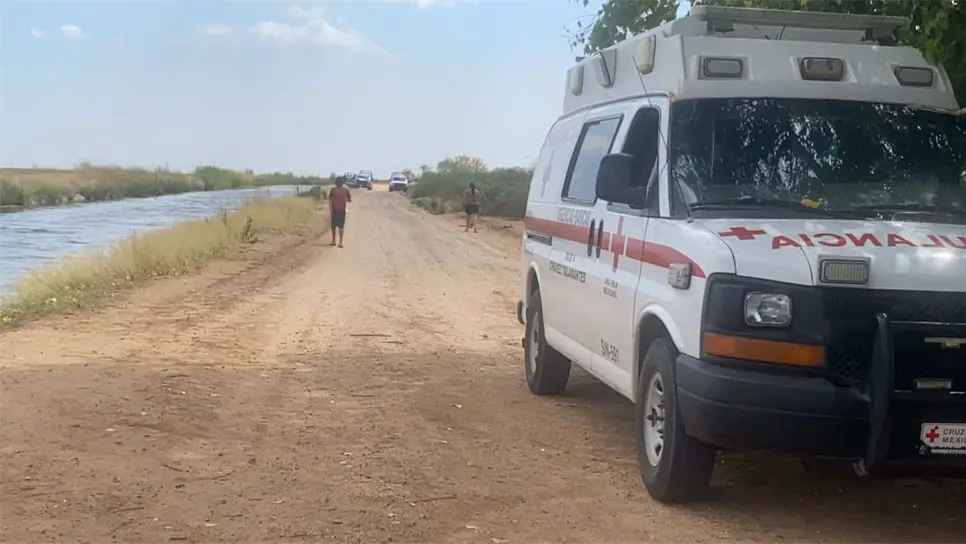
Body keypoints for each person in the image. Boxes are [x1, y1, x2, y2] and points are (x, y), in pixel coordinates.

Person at [329, 177, 352, 247]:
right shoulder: (346, 190)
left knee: (333, 226)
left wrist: (330, 211)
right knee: (341, 226)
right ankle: (340, 242)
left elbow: (330, 201)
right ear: (342, 183)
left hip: (334, 210)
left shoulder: (333, 190)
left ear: (335, 183)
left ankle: (333, 241)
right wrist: (345, 199)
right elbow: (350, 199)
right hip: (342, 210)